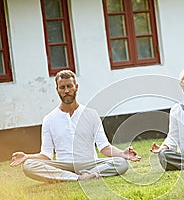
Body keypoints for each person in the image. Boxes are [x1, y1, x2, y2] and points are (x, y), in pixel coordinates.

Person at [10, 70, 140, 182]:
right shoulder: (49, 119)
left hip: (90, 164)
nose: (66, 91)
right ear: (57, 90)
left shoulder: (91, 114)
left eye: (69, 86)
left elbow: (104, 147)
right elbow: (46, 155)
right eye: (62, 88)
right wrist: (27, 156)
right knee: (28, 166)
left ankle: (85, 175)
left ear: (76, 87)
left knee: (122, 163)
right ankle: (76, 177)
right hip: (63, 165)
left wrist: (122, 153)